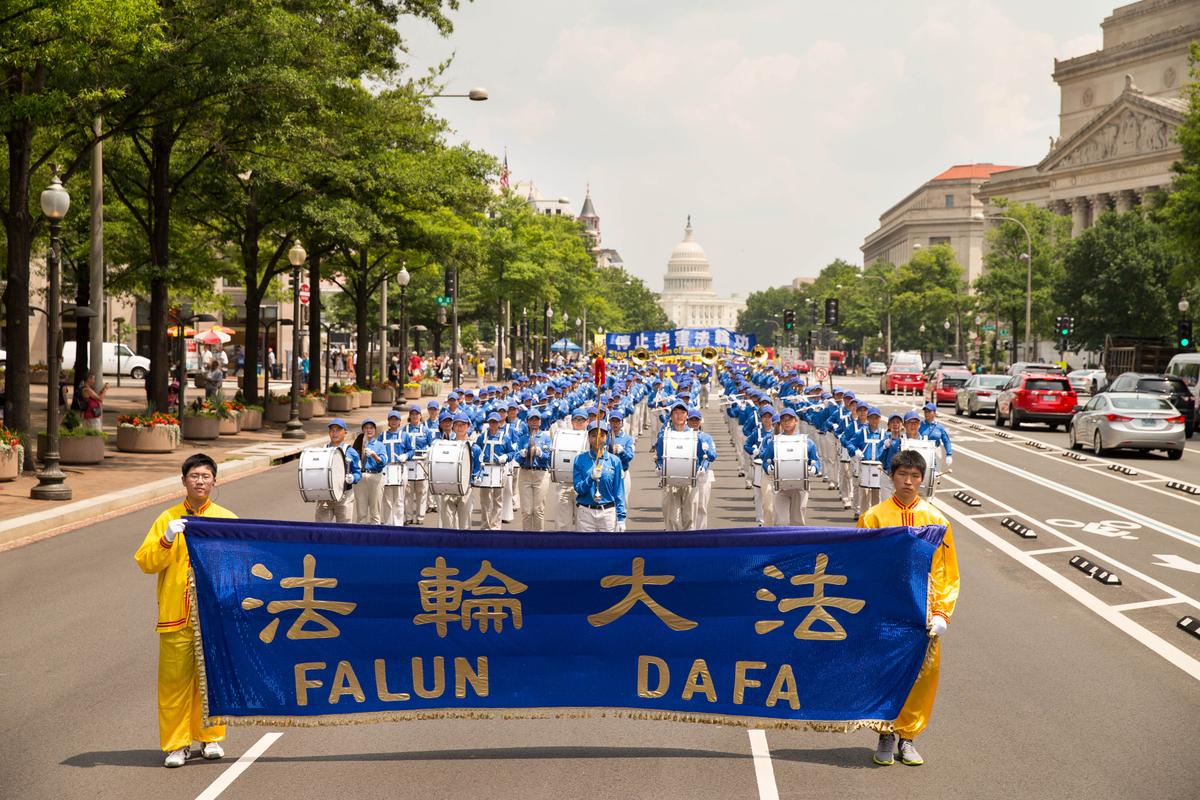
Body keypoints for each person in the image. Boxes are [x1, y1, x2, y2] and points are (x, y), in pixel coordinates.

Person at [133, 453, 237, 768]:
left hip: (213, 617)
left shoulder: (227, 518)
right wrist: (166, 539)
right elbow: (146, 562)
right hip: (176, 616)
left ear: (215, 481)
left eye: (206, 476)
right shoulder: (167, 518)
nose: (200, 481)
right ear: (184, 481)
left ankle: (210, 737)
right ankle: (177, 745)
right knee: (175, 683)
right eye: (194, 476)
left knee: (212, 680)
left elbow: (237, 565)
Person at [858, 449, 960, 767]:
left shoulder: (937, 520)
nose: (909, 481)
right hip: (886, 609)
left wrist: (942, 611)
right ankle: (885, 732)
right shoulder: (874, 517)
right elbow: (862, 566)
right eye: (902, 474)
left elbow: (946, 570)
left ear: (922, 479)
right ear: (892, 476)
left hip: (922, 609)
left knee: (922, 673)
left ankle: (909, 737)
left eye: (915, 476)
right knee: (884, 670)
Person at [763, 407, 821, 526]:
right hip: (780, 487)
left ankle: (798, 545)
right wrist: (768, 468)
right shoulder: (774, 442)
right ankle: (782, 544)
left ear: (796, 421)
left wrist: (814, 469)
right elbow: (766, 460)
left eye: (790, 419)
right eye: (784, 420)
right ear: (780, 423)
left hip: (800, 487)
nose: (787, 422)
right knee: (781, 522)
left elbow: (816, 460)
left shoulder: (807, 442)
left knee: (798, 522)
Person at [573, 420, 626, 532]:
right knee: (586, 548)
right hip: (586, 512)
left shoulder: (614, 461)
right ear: (588, 438)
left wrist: (621, 517)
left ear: (607, 437)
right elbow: (578, 488)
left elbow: (619, 490)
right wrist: (590, 478)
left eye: (601, 435)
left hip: (607, 512)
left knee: (608, 548)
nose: (597, 439)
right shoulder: (579, 459)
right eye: (593, 435)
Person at [438, 412, 481, 529]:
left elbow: (478, 466)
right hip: (448, 489)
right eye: (457, 424)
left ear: (468, 426)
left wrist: (476, 478)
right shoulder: (446, 444)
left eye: (463, 424)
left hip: (466, 490)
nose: (460, 427)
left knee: (465, 526)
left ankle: (464, 547)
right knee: (448, 525)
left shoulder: (474, 447)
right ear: (453, 426)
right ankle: (449, 547)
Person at [316, 418, 361, 522]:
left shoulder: (351, 451)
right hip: (325, 496)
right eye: (332, 430)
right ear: (329, 433)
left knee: (344, 529)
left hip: (344, 495)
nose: (334, 433)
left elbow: (358, 472)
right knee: (321, 529)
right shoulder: (323, 450)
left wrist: (353, 478)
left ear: (345, 432)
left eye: (338, 430)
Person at [516, 408, 553, 530]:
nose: (534, 422)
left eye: (536, 419)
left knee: (538, 510)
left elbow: (549, 458)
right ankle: (526, 539)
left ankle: (539, 539)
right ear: (527, 421)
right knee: (526, 511)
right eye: (531, 419)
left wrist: (540, 453)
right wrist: (522, 454)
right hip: (525, 472)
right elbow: (517, 457)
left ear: (540, 421)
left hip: (540, 474)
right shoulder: (522, 439)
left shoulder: (546, 438)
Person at [476, 412, 514, 530]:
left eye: (495, 422)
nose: (493, 424)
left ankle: (495, 526)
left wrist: (506, 457)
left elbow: (512, 453)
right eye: (491, 422)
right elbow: (475, 449)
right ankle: (485, 525)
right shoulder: (482, 437)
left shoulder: (505, 437)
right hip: (485, 469)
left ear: (499, 424)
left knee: (498, 500)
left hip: (499, 470)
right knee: (485, 500)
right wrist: (478, 457)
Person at [378, 410, 412, 526]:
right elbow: (378, 450)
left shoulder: (405, 435)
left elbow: (411, 450)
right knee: (387, 499)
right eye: (391, 419)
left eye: (396, 420)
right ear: (388, 422)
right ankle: (388, 524)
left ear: (399, 422)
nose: (393, 422)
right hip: (386, 469)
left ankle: (398, 525)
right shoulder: (382, 436)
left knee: (399, 499)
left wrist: (406, 456)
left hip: (401, 468)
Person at [686, 409, 718, 529]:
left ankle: (700, 532)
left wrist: (707, 449)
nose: (694, 422)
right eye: (691, 420)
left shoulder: (707, 437)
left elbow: (713, 456)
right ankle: (689, 530)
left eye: (696, 420)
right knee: (689, 505)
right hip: (687, 473)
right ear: (687, 421)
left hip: (703, 475)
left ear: (700, 422)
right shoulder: (683, 436)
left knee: (701, 505)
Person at [353, 419, 387, 524]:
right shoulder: (358, 443)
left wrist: (374, 455)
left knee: (375, 513)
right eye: (366, 428)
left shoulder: (380, 445)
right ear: (363, 430)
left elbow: (383, 462)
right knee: (361, 513)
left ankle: (375, 538)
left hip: (375, 477)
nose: (369, 430)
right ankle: (361, 538)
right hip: (361, 478)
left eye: (371, 428)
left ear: (375, 430)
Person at [920, 403, 953, 474]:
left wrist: (949, 454)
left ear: (934, 413)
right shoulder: (920, 425)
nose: (926, 413)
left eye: (929, 411)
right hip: (922, 451)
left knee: (935, 474)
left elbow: (946, 441)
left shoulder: (939, 427)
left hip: (936, 451)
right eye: (925, 411)